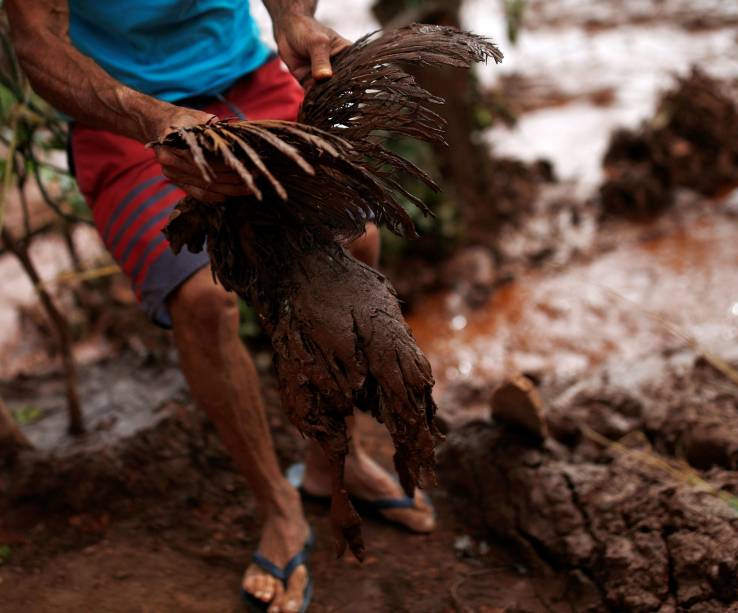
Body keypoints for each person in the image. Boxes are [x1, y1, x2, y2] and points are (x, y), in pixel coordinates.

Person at [5, 1, 436, 611]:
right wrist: (150, 118)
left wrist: (292, 18)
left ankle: (333, 460)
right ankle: (278, 509)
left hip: (248, 79)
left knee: (356, 241)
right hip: (124, 116)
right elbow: (35, 42)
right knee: (203, 297)